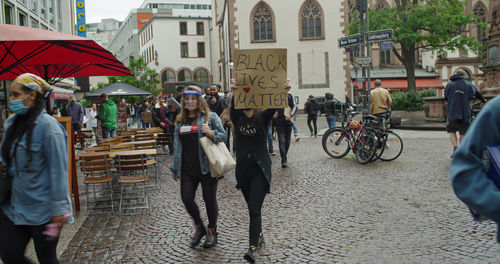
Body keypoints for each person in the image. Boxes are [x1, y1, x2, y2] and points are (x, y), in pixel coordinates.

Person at [0, 73, 72, 264]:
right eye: (11, 95)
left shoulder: (50, 128)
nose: (11, 99)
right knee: (9, 254)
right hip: (14, 206)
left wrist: (59, 210)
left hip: (45, 211)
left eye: (16, 95)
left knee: (47, 259)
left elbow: (58, 172)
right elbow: (5, 161)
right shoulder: (10, 124)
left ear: (32, 95)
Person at [170, 86, 227, 249]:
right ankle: (199, 227)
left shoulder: (211, 117)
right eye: (187, 99)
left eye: (193, 98)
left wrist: (210, 133)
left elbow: (224, 136)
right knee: (186, 198)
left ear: (199, 100)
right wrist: (175, 168)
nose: (190, 101)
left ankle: (212, 230)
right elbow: (177, 145)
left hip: (207, 166)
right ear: (183, 101)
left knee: (209, 199)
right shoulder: (180, 120)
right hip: (187, 168)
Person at [230, 79, 277, 262]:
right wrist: (234, 91)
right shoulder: (237, 117)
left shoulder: (262, 118)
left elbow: (274, 106)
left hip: (260, 170)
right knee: (252, 209)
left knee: (255, 209)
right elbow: (233, 106)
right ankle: (258, 235)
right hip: (243, 172)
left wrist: (282, 88)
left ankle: (251, 248)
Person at [450, 95, 500, 242]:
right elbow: (464, 170)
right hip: (462, 116)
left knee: (456, 131)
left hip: (455, 115)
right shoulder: (496, 110)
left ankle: (455, 146)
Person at [444, 70, 486, 157]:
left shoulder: (450, 84)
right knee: (463, 131)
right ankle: (461, 149)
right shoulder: (469, 84)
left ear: (455, 75)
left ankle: (456, 148)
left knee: (452, 130)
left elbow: (446, 97)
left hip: (452, 111)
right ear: (463, 76)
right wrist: (483, 100)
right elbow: (477, 93)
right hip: (465, 111)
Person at [274, 80, 297, 168]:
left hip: (288, 121)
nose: (287, 89)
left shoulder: (290, 96)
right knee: (281, 140)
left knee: (287, 141)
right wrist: (274, 112)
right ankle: (284, 159)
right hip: (279, 121)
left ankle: (284, 156)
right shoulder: (276, 96)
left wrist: (291, 115)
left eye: (288, 87)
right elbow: (272, 106)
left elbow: (294, 106)